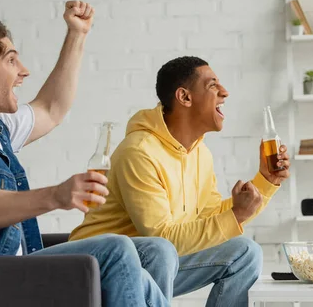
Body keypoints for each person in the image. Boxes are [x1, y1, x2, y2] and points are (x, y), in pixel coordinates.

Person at [0, 1, 173, 307]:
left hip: (15, 266)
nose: (24, 72)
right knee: (116, 249)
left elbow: (51, 108)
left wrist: (77, 34)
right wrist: (56, 195)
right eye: (11, 61)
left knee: (156, 251)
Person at [69, 56, 291, 306]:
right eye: (212, 85)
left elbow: (208, 217)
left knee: (246, 253)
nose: (225, 92)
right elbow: (161, 235)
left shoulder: (199, 153)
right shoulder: (140, 151)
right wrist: (235, 216)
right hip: (100, 265)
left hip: (155, 262)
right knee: (160, 250)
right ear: (185, 97)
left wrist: (265, 181)